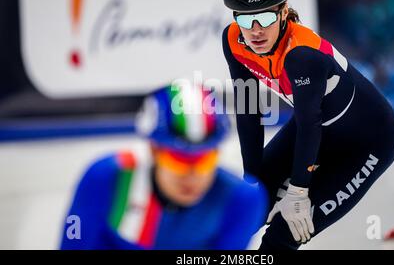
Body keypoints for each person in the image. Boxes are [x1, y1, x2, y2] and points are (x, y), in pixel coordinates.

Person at [222, 0, 394, 250]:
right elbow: (248, 110)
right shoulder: (233, 40)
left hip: (368, 143)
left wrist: (298, 191)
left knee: (283, 233)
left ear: (283, 11)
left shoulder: (302, 55)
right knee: (240, 212)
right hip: (318, 126)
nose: (255, 30)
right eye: (244, 18)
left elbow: (309, 124)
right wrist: (253, 180)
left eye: (265, 17)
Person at [60, 83, 268, 249]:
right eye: (179, 160)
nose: (192, 175)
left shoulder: (242, 200)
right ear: (153, 150)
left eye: (205, 160)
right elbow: (74, 243)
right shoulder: (105, 178)